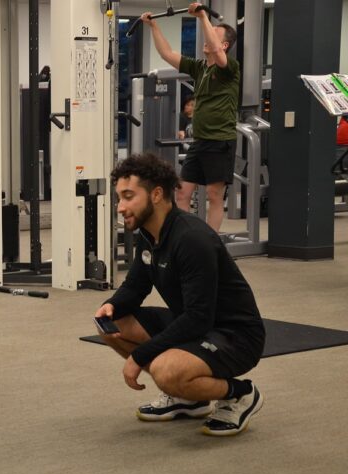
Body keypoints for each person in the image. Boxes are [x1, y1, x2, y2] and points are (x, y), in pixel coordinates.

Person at [95, 152, 265, 437]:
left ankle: (240, 393)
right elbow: (136, 286)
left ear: (157, 194)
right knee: (113, 326)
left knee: (165, 371)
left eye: (128, 197)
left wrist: (140, 357)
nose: (120, 207)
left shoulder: (191, 239)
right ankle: (190, 398)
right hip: (195, 324)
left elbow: (198, 318)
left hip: (235, 335)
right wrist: (110, 305)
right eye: (118, 198)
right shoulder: (149, 234)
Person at [140, 2, 239, 233]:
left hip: (219, 140)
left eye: (213, 35)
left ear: (224, 44)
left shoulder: (229, 68)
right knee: (182, 192)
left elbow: (217, 53)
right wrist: (153, 26)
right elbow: (166, 54)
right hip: (200, 141)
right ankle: (188, 239)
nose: (207, 38)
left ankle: (210, 243)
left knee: (215, 195)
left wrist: (202, 17)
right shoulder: (199, 68)